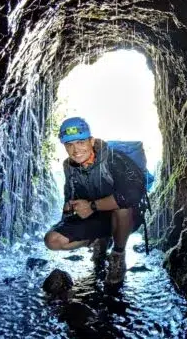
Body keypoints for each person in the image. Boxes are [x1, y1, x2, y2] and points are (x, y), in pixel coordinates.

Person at [43, 117, 148, 285]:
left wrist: (92, 206)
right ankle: (100, 239)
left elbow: (132, 195)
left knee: (122, 207)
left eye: (80, 142)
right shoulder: (68, 166)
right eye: (69, 145)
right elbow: (69, 193)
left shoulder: (114, 158)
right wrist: (69, 210)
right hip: (96, 217)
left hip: (125, 218)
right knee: (52, 240)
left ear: (91, 141)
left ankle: (118, 255)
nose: (75, 150)